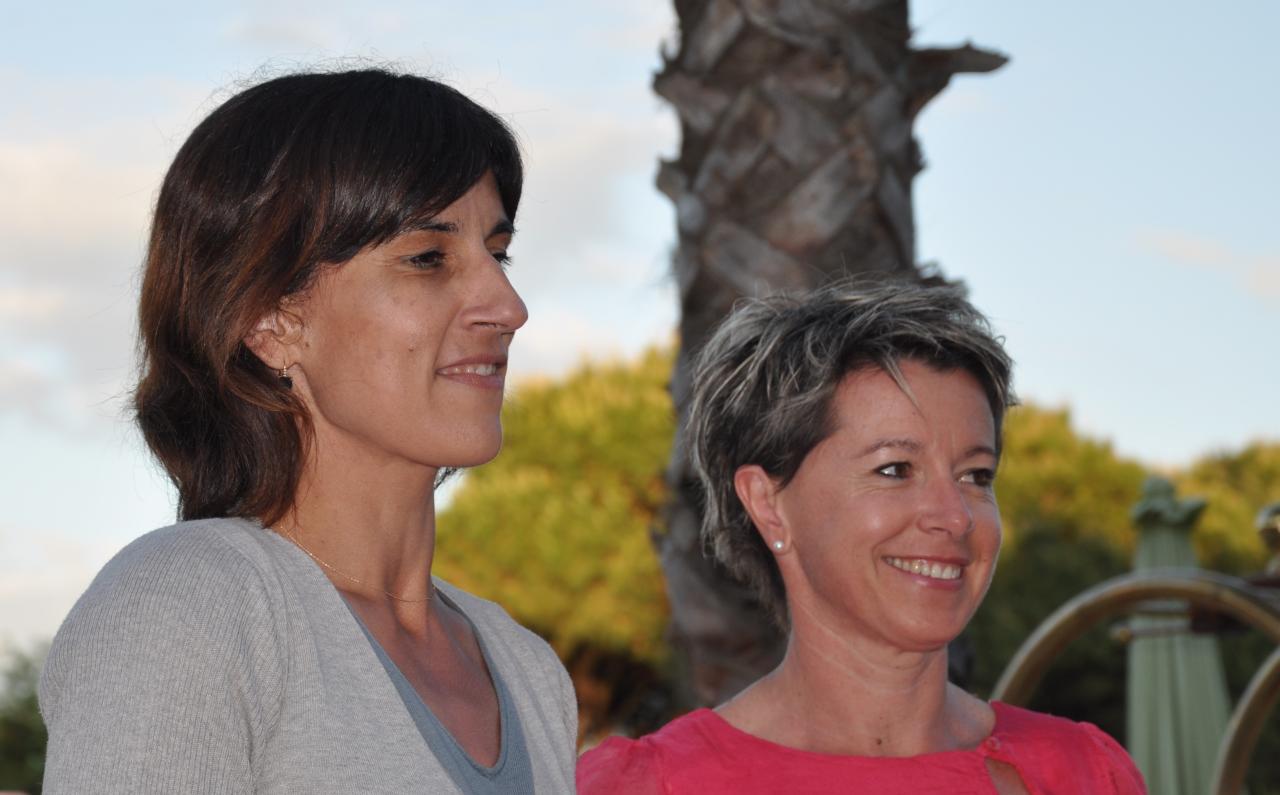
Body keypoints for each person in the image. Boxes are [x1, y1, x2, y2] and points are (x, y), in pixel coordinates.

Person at [39, 68, 577, 793]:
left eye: (498, 252)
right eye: (428, 258)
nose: (508, 306)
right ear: (270, 320)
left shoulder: (527, 670)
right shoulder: (189, 608)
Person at [578, 279, 1145, 794]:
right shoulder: (645, 786)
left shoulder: (1086, 774)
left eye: (976, 475)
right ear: (768, 504)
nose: (955, 517)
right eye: (895, 469)